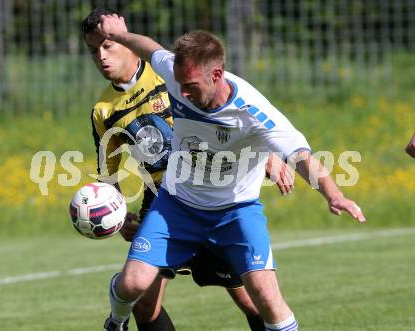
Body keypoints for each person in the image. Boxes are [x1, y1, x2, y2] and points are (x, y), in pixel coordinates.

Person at [94, 14, 366, 331]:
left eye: (191, 86)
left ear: (217, 75)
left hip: (235, 213)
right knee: (131, 285)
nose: (181, 94)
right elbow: (150, 48)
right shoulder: (178, 75)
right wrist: (122, 35)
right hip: (176, 205)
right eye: (179, 85)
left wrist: (334, 194)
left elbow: (301, 156)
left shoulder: (253, 112)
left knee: (265, 297)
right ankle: (116, 321)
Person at [81, 8, 293, 331]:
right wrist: (118, 212)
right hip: (163, 202)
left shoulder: (172, 75)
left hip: (211, 195)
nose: (101, 57)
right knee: (143, 304)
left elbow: (232, 113)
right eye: (93, 50)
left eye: (107, 45)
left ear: (125, 41)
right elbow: (108, 173)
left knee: (251, 299)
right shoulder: (103, 109)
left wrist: (268, 156)